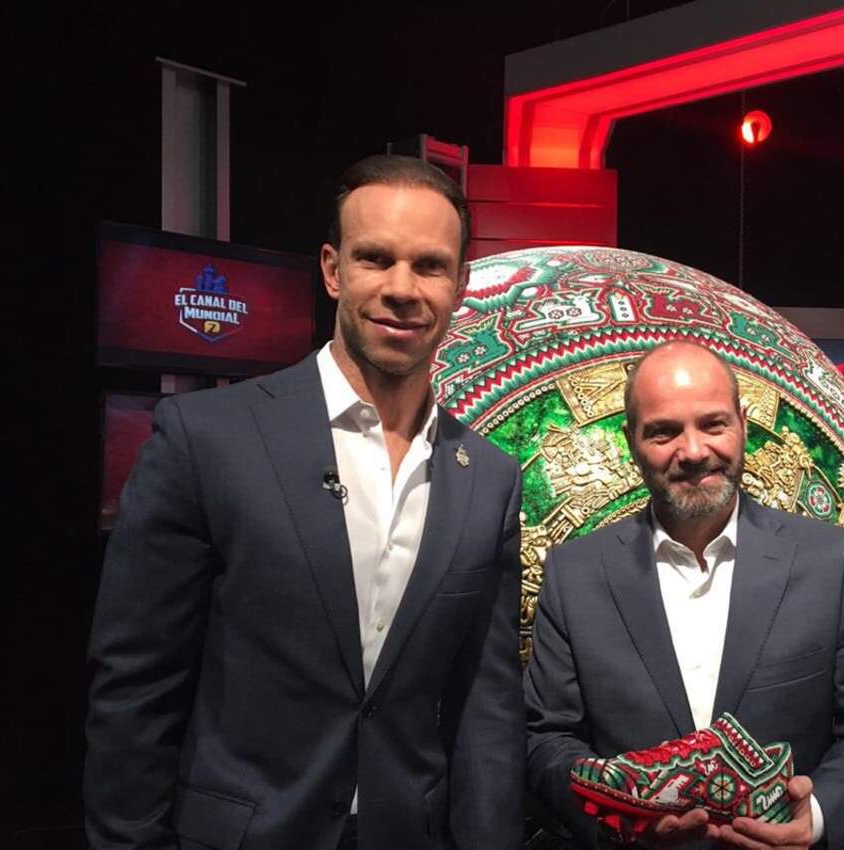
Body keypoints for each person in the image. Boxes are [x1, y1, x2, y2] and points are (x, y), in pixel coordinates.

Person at [85, 155, 525, 850]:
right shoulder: (208, 439)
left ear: (461, 284)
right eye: (375, 258)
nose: (402, 289)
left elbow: (486, 706)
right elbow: (135, 684)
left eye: (430, 266)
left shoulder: (490, 478)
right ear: (332, 269)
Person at [525, 340, 844, 850]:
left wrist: (816, 816)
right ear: (630, 441)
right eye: (664, 431)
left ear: (743, 425)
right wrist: (619, 818)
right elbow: (544, 740)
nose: (692, 451)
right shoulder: (575, 575)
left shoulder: (830, 562)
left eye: (713, 424)